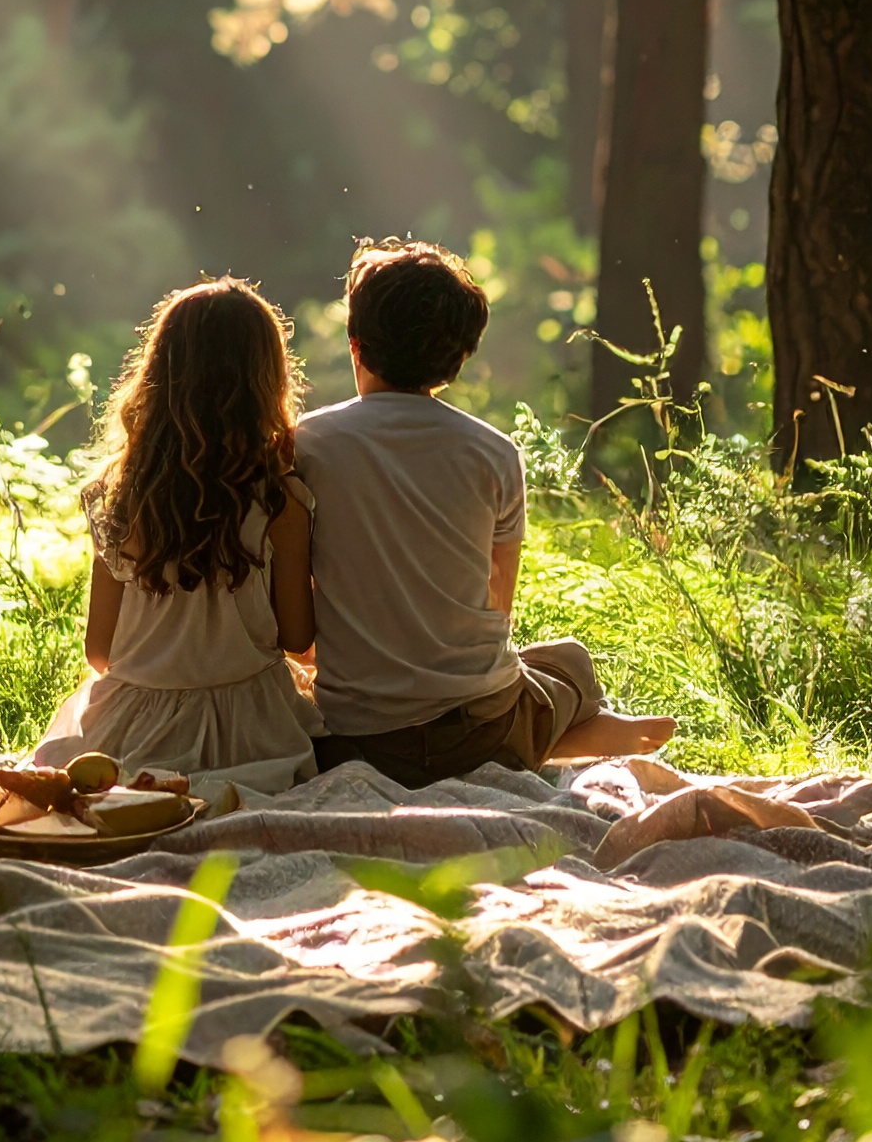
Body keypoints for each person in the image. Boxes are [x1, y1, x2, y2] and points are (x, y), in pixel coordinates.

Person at [296, 238, 675, 786]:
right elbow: (499, 608)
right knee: (567, 662)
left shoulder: (308, 444)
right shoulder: (493, 452)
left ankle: (556, 738)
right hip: (480, 727)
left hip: (357, 739)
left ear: (355, 346)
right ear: (457, 361)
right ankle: (568, 736)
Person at [34, 277, 323, 791]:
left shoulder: (119, 495)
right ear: (267, 381)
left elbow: (99, 651)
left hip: (130, 730)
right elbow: (299, 640)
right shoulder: (281, 500)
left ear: (158, 376)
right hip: (250, 732)